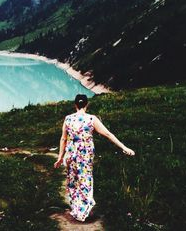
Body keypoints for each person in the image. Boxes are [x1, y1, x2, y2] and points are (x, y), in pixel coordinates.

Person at [54, 94, 135, 222]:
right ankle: (84, 210)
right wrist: (123, 147)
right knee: (85, 179)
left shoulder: (68, 119)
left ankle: (76, 209)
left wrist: (60, 157)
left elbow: (63, 138)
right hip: (85, 154)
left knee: (73, 180)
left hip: (71, 154)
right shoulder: (92, 119)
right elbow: (107, 134)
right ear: (87, 104)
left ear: (75, 105)